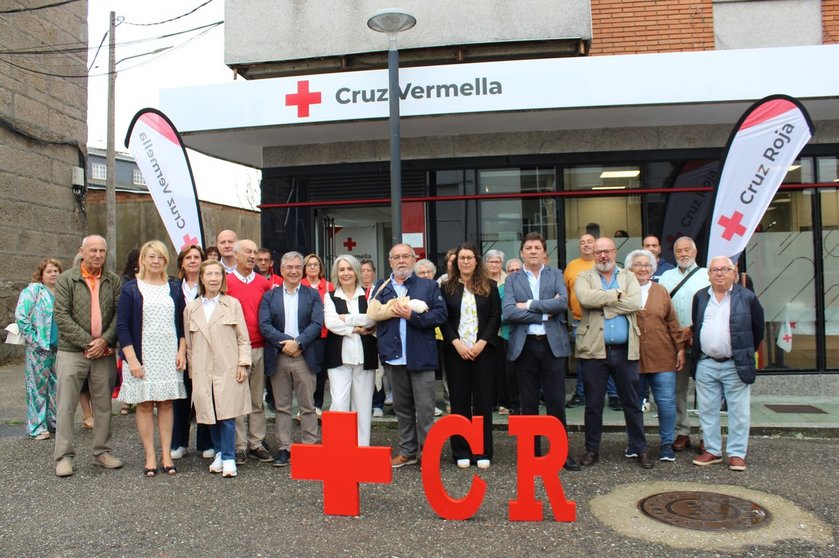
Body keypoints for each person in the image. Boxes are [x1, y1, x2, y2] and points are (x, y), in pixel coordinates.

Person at [503, 232, 579, 471]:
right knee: (529, 404)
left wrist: (529, 305)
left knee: (556, 402)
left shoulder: (556, 274)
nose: (533, 251)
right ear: (522, 252)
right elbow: (508, 312)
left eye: (537, 247)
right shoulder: (512, 280)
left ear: (544, 252)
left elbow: (562, 304)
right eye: (529, 247)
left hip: (551, 345)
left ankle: (561, 454)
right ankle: (531, 454)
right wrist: (546, 311)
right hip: (525, 347)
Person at [575, 237, 652, 469]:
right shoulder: (583, 277)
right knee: (593, 404)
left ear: (615, 252)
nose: (602, 256)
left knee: (631, 402)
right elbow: (585, 299)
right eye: (598, 252)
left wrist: (605, 303)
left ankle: (641, 448)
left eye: (606, 251)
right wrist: (618, 295)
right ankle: (591, 449)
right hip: (593, 351)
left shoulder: (628, 276)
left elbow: (635, 303)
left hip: (624, 351)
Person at [369, 243, 447, 468]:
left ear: (414, 260)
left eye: (406, 256)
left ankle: (428, 453)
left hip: (420, 356)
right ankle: (408, 451)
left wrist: (413, 316)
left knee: (424, 409)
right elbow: (373, 316)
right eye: (396, 257)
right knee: (402, 409)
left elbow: (441, 315)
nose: (401, 261)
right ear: (390, 261)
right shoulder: (381, 287)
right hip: (393, 357)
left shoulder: (428, 286)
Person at [53, 235, 123, 477]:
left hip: (104, 352)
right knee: (66, 406)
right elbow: (61, 316)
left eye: (102, 251)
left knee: (103, 406)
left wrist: (104, 340)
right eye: (92, 250)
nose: (97, 255)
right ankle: (63, 456)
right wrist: (89, 342)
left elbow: (118, 315)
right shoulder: (66, 279)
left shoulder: (113, 281)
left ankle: (101, 452)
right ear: (82, 251)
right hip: (72, 351)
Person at [117, 240, 187, 477]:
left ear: (165, 260)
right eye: (151, 257)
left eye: (160, 257)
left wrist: (182, 350)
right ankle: (150, 456)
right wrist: (132, 360)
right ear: (143, 260)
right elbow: (123, 326)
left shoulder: (174, 288)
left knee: (167, 404)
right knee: (145, 405)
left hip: (168, 354)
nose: (155, 261)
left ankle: (167, 455)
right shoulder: (131, 289)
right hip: (142, 356)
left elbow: (182, 323)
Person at [691, 256, 764, 472]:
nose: (719, 273)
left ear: (734, 272)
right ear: (709, 274)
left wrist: (743, 353)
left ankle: (736, 453)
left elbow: (757, 331)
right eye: (714, 270)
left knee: (739, 411)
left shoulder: (747, 297)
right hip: (706, 363)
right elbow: (697, 325)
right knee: (707, 410)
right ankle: (712, 450)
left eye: (724, 269)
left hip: (735, 363)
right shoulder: (701, 297)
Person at [184, 260, 253, 478]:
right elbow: (189, 344)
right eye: (209, 274)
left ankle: (229, 456)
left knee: (228, 414)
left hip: (228, 367)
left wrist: (243, 363)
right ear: (202, 278)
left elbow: (243, 338)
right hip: (203, 369)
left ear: (223, 278)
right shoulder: (191, 308)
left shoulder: (232, 304)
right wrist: (192, 372)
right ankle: (219, 453)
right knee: (209, 413)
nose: (214, 278)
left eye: (218, 274)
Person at [259, 251, 324, 467]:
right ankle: (284, 448)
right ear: (282, 270)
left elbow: (316, 323)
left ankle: (310, 447)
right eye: (290, 267)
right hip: (280, 356)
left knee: (308, 405)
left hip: (305, 356)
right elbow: (265, 325)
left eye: (298, 267)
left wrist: (299, 343)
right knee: (282, 406)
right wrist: (289, 343)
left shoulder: (312, 295)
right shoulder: (270, 296)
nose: (294, 271)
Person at [441, 244, 501, 469]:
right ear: (456, 263)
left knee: (483, 403)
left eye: (469, 258)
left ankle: (482, 450)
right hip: (456, 352)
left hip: (483, 352)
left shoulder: (490, 287)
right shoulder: (446, 288)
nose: (465, 262)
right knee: (459, 402)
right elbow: (443, 319)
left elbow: (495, 317)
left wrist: (481, 343)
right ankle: (461, 451)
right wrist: (456, 343)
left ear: (477, 261)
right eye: (461, 258)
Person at [626, 249, 684, 462]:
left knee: (666, 402)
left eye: (647, 265)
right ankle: (635, 443)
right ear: (630, 269)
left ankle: (666, 444)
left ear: (653, 269)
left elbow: (672, 322)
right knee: (634, 403)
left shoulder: (661, 291)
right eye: (638, 265)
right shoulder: (623, 290)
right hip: (633, 358)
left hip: (662, 356)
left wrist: (680, 349)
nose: (642, 268)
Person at [658, 236, 710, 452]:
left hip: (700, 341)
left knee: (707, 390)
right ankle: (682, 431)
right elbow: (661, 308)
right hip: (674, 343)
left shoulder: (706, 275)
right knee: (677, 390)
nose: (683, 254)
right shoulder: (666, 277)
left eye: (687, 250)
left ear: (695, 252)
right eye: (679, 251)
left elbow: (711, 308)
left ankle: (708, 435)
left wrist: (692, 328)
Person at [226, 239, 272, 464]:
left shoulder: (264, 284)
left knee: (256, 399)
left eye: (255, 252)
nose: (253, 256)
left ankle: (256, 442)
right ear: (235, 254)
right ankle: (239, 445)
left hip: (259, 347)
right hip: (234, 351)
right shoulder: (226, 283)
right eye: (248, 251)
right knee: (237, 400)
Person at [324, 254, 378, 445]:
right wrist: (356, 328)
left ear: (356, 272)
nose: (345, 273)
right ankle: (340, 446)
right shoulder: (329, 296)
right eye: (341, 270)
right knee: (339, 404)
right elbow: (331, 323)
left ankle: (362, 447)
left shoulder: (369, 294)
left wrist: (346, 319)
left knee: (363, 406)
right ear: (336, 274)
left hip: (365, 358)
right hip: (338, 359)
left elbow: (372, 319)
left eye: (349, 269)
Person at [170, 244, 214, 461]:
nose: (193, 261)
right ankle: (179, 442)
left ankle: (205, 443)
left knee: (204, 395)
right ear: (182, 262)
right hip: (179, 347)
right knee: (182, 398)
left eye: (197, 257)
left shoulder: (209, 285)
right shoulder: (173, 287)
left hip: (204, 348)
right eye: (189, 258)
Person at [16, 257, 63, 440]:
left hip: (57, 347)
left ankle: (54, 422)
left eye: (56, 271)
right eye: (49, 271)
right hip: (39, 348)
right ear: (41, 275)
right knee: (37, 388)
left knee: (56, 387)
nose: (53, 274)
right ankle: (36, 427)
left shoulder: (62, 292)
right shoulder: (34, 291)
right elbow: (21, 316)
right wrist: (34, 340)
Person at [301, 253, 333, 415]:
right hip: (304, 336)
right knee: (304, 372)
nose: (313, 267)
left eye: (316, 264)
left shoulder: (329, 287)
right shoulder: (299, 285)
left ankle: (317, 405)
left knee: (319, 372)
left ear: (320, 267)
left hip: (323, 335)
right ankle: (305, 406)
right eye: (309, 264)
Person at [363, 259, 388, 417]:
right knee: (364, 372)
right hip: (359, 335)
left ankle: (378, 403)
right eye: (362, 270)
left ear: (373, 273)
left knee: (378, 371)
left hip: (375, 334)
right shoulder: (355, 290)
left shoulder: (379, 290)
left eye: (368, 270)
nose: (365, 273)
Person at [498, 258, 522, 415]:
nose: (514, 273)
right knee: (510, 373)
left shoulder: (529, 287)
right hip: (506, 335)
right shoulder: (501, 290)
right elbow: (501, 315)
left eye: (517, 270)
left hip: (526, 335)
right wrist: (522, 312)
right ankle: (513, 405)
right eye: (511, 270)